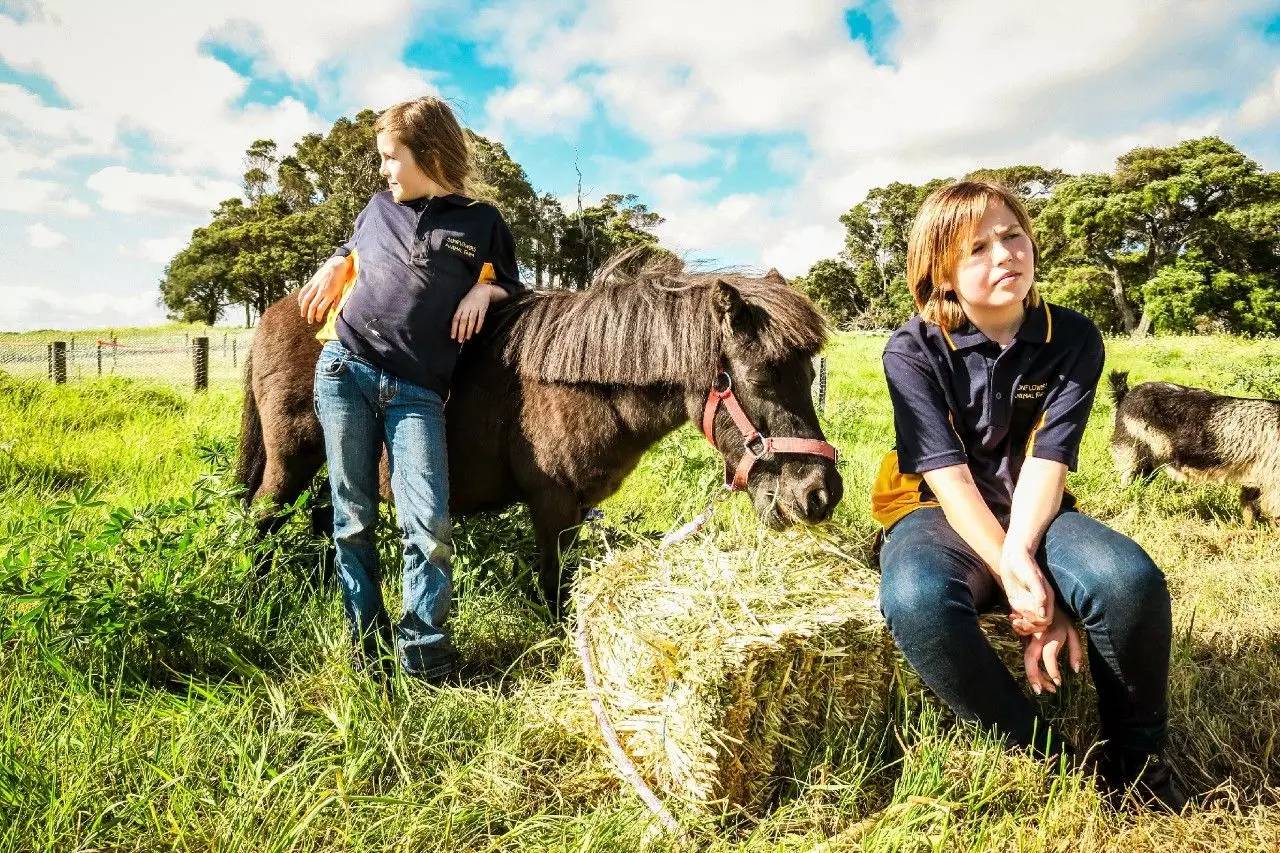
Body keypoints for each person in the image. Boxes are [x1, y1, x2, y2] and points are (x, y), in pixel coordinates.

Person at [870, 180, 1185, 810]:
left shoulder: (1071, 337)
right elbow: (949, 477)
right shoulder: (913, 348)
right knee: (916, 597)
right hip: (936, 510)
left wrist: (1030, 567)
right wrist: (1025, 584)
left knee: (1128, 581)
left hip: (1034, 507)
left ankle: (1140, 762)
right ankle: (1043, 755)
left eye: (1012, 236)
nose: (1004, 255)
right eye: (977, 249)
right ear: (940, 272)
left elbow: (1050, 460)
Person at [296, 96, 521, 685]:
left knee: (428, 525)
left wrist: (482, 291)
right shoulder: (376, 209)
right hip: (345, 370)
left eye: (392, 157)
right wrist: (335, 260)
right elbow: (354, 248)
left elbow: (511, 286)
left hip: (419, 390)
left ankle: (424, 657)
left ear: (428, 154)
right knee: (352, 518)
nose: (384, 170)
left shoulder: (483, 222)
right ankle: (365, 645)